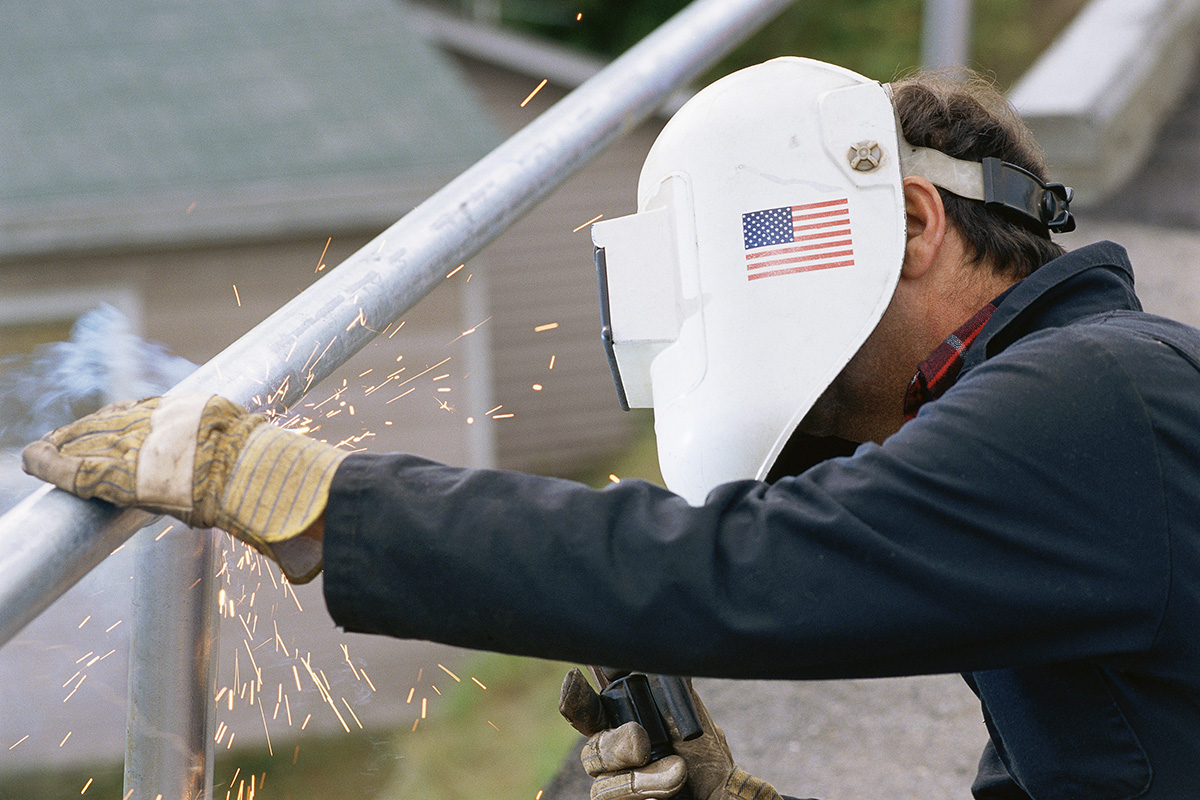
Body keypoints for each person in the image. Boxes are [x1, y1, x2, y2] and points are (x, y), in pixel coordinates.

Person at [22, 58, 1200, 800]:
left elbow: (739, 567)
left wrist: (330, 496)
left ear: (910, 220)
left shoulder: (1093, 401)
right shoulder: (1091, 411)